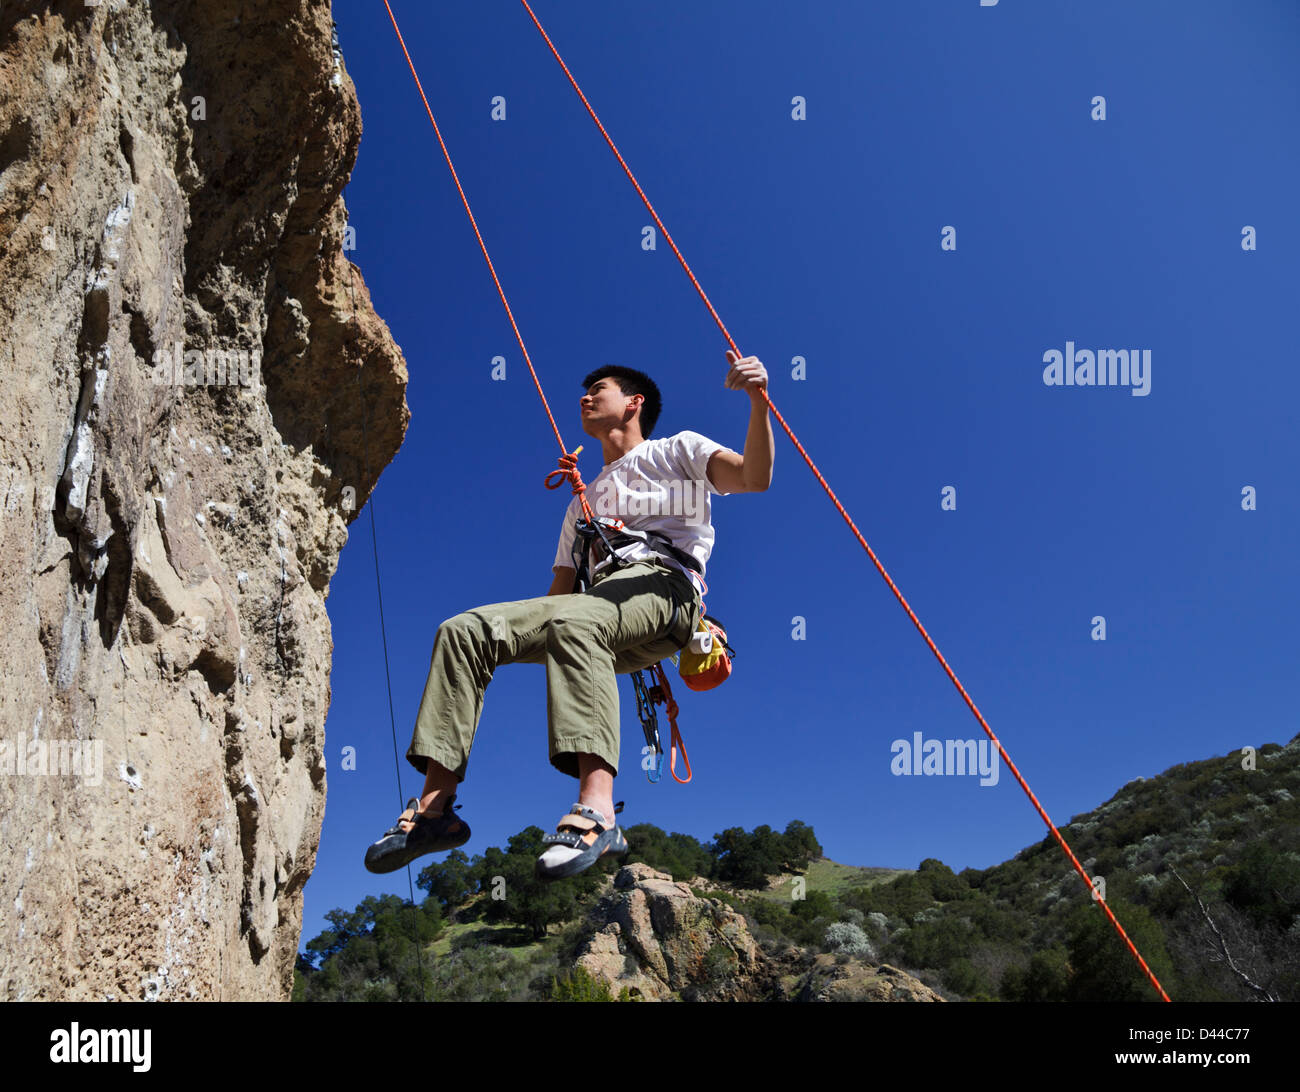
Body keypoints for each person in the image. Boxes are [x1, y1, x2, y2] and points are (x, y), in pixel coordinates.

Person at [364, 350, 774, 879]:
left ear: (634, 402)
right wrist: (520, 636)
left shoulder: (679, 450)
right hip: (598, 610)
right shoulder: (581, 502)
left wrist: (758, 402)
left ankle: (598, 811)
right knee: (464, 631)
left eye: (597, 388)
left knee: (575, 621)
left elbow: (754, 477)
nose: (584, 396)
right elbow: (559, 594)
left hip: (666, 589)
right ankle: (434, 810)